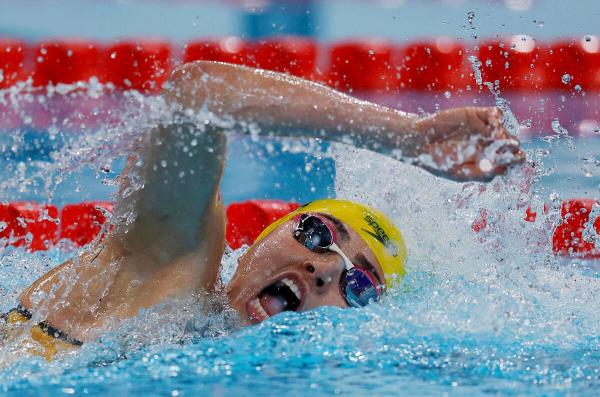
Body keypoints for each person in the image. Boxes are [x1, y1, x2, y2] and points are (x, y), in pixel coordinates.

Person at [2, 61, 524, 360]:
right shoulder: (158, 273)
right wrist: (404, 136)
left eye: (358, 285)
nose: (325, 268)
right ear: (265, 234)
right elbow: (194, 95)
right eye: (318, 233)